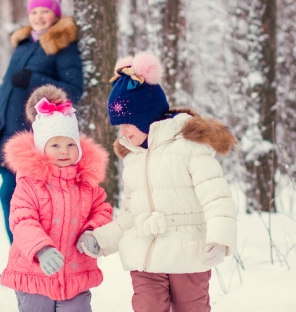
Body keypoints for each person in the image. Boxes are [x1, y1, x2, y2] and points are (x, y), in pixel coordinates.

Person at [82, 52, 238, 312]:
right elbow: (132, 213)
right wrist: (102, 239)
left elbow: (216, 196)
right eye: (119, 126)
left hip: (188, 252)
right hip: (145, 254)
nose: (123, 132)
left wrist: (220, 238)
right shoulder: (132, 157)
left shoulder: (189, 145)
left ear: (147, 116)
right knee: (147, 306)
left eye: (127, 123)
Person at [0, 0, 84, 243]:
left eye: (44, 11)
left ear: (55, 14)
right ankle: (21, 256)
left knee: (19, 197)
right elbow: (9, 83)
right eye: (34, 11)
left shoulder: (62, 46)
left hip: (32, 137)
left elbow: (74, 90)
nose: (38, 16)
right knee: (9, 196)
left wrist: (34, 79)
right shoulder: (24, 45)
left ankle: (30, 255)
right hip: (6, 131)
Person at [0, 85, 113, 311]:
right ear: (42, 147)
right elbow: (22, 220)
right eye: (56, 145)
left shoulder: (86, 184)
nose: (64, 151)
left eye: (71, 144)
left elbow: (102, 211)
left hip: (75, 273)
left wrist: (92, 231)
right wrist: (41, 248)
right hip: (34, 275)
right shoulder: (29, 184)